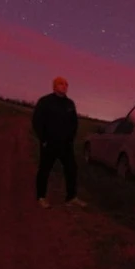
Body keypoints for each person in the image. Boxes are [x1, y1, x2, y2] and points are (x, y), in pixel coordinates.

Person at [32, 76, 86, 208]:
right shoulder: (45, 101)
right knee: (44, 170)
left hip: (66, 145)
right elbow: (37, 121)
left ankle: (71, 198)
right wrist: (43, 139)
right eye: (61, 84)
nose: (65, 86)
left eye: (66, 84)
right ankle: (41, 197)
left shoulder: (70, 104)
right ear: (54, 86)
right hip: (49, 144)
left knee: (71, 169)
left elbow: (74, 123)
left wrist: (70, 139)